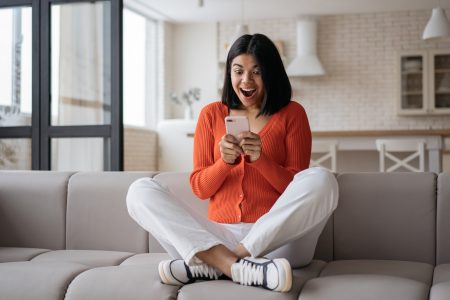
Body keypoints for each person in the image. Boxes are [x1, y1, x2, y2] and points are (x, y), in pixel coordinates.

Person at [126, 33, 338, 293]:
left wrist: (260, 160)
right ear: (229, 74)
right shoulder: (211, 114)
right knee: (140, 190)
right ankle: (238, 266)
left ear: (271, 73)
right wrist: (224, 163)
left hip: (279, 242)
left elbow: (294, 188)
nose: (246, 81)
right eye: (238, 71)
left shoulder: (292, 114)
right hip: (216, 237)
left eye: (256, 72)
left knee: (322, 179)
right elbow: (201, 189)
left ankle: (221, 263)